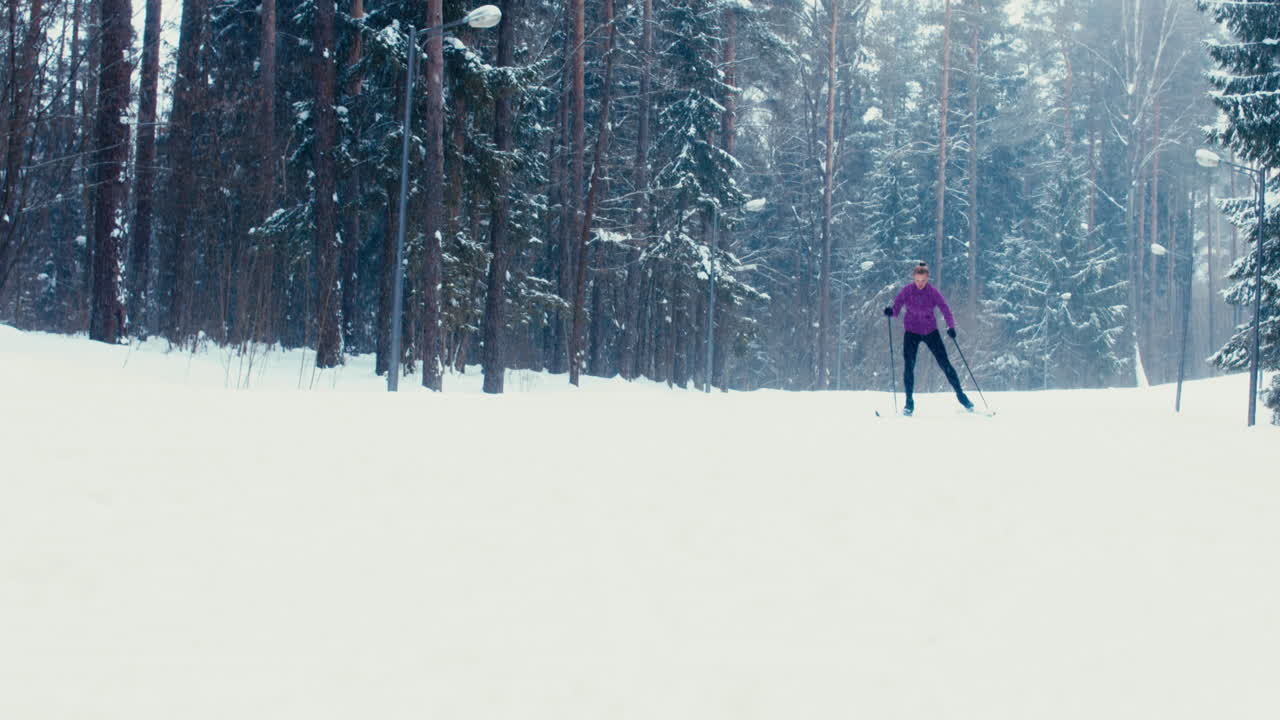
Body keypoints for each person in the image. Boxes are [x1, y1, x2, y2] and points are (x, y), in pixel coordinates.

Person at [883, 262, 973, 415]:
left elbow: (945, 309)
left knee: (945, 364)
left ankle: (961, 396)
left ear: (927, 279)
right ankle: (909, 403)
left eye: (923, 281)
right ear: (913, 278)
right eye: (917, 280)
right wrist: (889, 311)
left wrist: (951, 327)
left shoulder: (932, 292)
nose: (920, 284)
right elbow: (896, 310)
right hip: (911, 332)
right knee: (909, 367)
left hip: (930, 331)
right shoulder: (907, 291)